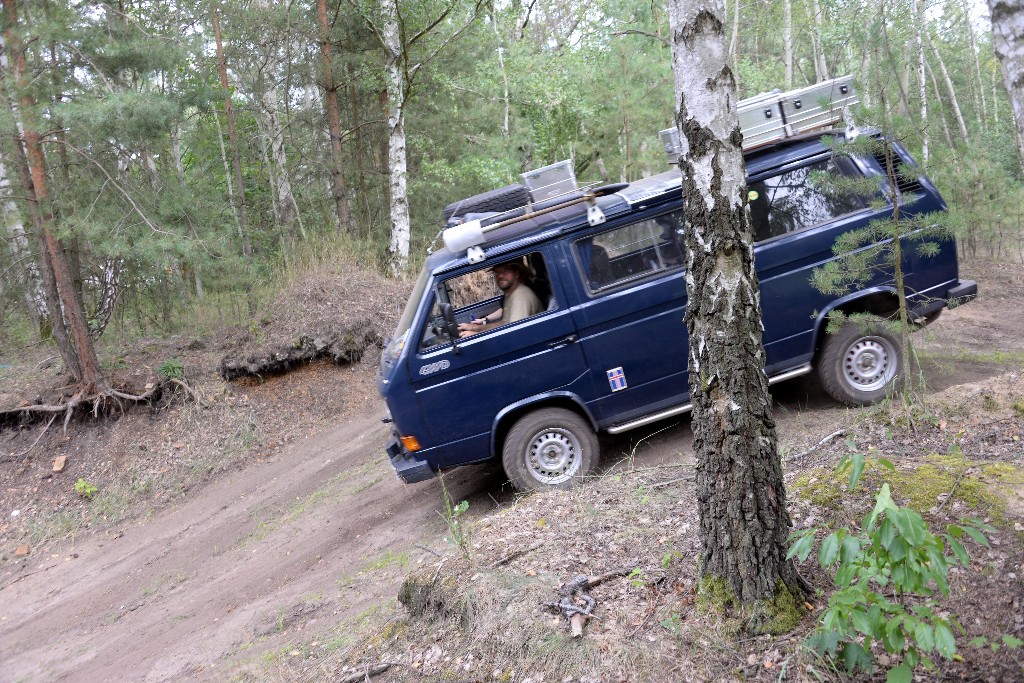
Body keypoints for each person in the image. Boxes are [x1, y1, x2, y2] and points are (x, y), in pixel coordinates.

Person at [458, 261, 542, 337]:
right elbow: (504, 324)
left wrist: (476, 335)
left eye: (505, 271)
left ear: (516, 274)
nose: (500, 275)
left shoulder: (521, 297)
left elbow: (515, 334)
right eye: (497, 272)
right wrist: (473, 328)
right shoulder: (510, 294)